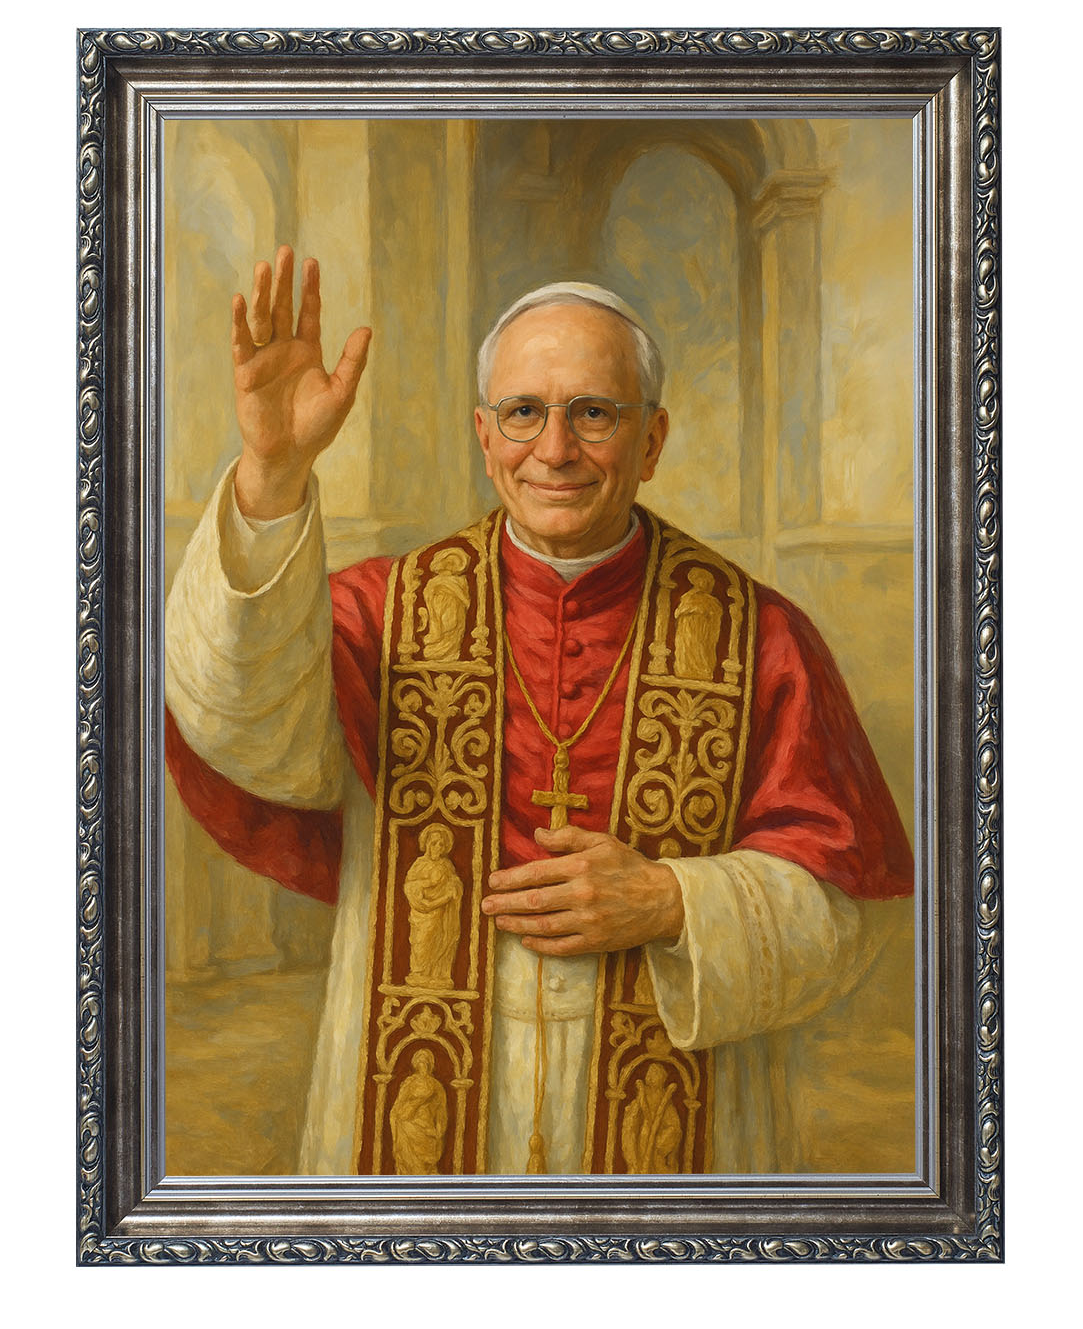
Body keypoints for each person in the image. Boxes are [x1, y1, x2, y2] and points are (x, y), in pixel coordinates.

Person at [165, 245, 913, 1176]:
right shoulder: (378, 615)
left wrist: (673, 901)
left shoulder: (758, 636)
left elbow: (846, 910)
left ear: (652, 440)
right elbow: (237, 724)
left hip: (676, 1109)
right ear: (484, 436)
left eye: (593, 413)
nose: (553, 450)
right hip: (414, 1096)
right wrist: (272, 473)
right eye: (523, 412)